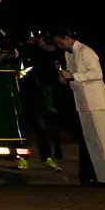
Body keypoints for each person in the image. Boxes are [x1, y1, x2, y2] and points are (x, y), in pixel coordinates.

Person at [50, 29, 103, 186]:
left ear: (67, 38)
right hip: (82, 104)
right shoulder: (69, 54)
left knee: (102, 141)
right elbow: (74, 76)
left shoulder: (86, 51)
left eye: (60, 42)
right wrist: (66, 79)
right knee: (92, 143)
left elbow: (97, 74)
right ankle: (99, 176)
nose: (59, 46)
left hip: (96, 103)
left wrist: (74, 76)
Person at [17, 32, 65, 172]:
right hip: (19, 93)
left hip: (35, 94)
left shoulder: (40, 53)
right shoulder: (19, 50)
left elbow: (53, 55)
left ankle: (47, 157)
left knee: (41, 125)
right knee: (21, 128)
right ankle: (22, 158)